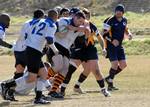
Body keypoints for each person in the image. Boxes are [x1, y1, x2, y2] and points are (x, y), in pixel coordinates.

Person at [1, 9, 59, 104]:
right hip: (33, 51)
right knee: (31, 77)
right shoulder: (52, 25)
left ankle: (38, 98)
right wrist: (56, 51)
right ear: (56, 17)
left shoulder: (38, 21)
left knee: (44, 73)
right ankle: (7, 85)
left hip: (29, 49)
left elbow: (29, 34)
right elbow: (49, 39)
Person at [60, 8, 110, 97]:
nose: (86, 18)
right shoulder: (71, 23)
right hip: (77, 51)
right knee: (70, 70)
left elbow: (99, 37)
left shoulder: (90, 25)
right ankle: (62, 90)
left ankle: (103, 90)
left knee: (96, 70)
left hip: (90, 50)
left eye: (87, 16)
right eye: (85, 16)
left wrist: (103, 48)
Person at [46, 11, 90, 98]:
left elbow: (82, 39)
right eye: (79, 21)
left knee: (65, 70)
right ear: (74, 18)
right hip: (56, 45)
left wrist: (86, 32)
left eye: (82, 22)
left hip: (66, 49)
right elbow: (56, 28)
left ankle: (52, 91)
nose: (80, 23)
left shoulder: (80, 28)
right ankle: (41, 80)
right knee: (58, 66)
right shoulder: (64, 20)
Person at [103, 4, 132, 91]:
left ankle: (108, 78)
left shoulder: (124, 20)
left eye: (120, 11)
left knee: (123, 65)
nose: (118, 12)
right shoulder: (110, 21)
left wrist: (129, 34)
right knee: (115, 64)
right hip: (111, 46)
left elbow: (126, 28)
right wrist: (112, 40)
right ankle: (110, 84)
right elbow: (104, 34)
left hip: (119, 46)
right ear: (115, 11)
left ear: (123, 12)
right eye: (117, 11)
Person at [13, 9, 45, 79]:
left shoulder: (26, 22)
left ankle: (9, 87)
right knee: (39, 72)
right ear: (42, 16)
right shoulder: (40, 23)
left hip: (18, 49)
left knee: (19, 71)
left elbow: (22, 36)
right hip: (28, 49)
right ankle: (41, 89)